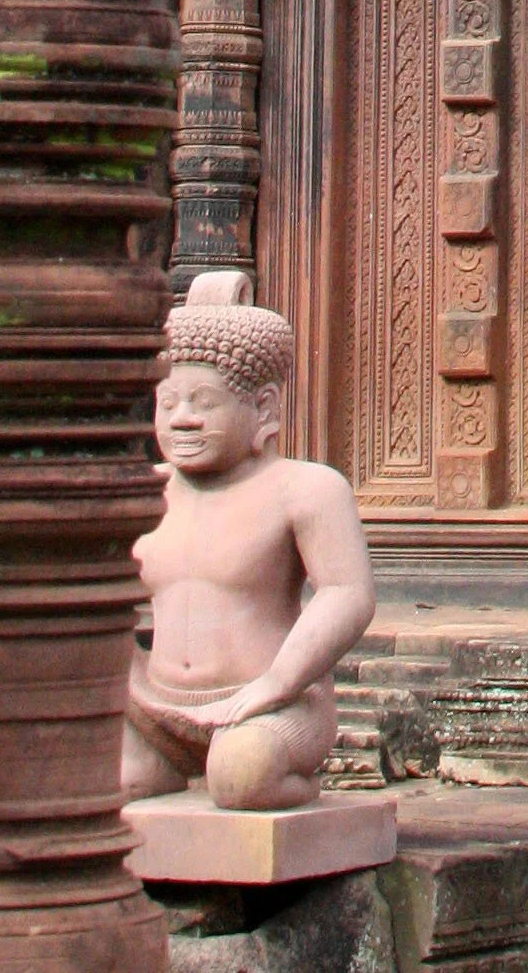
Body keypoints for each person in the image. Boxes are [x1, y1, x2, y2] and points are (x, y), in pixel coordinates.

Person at [123, 273, 376, 814]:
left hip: (268, 706)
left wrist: (279, 683)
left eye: (204, 403)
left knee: (240, 777)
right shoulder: (141, 493)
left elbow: (347, 595)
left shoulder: (305, 490)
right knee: (95, 779)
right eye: (168, 403)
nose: (182, 419)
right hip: (154, 705)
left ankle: (299, 790)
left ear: (263, 408)